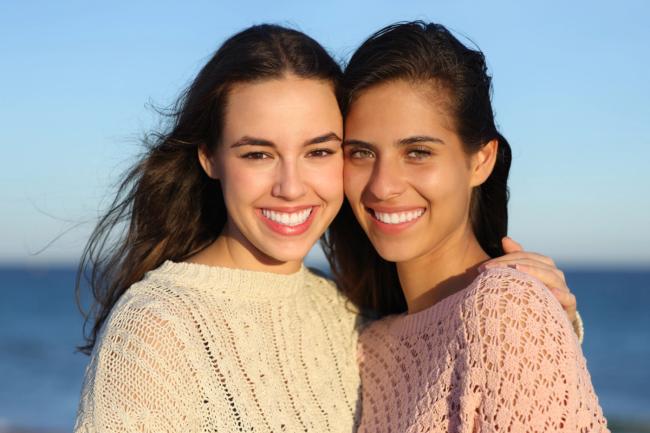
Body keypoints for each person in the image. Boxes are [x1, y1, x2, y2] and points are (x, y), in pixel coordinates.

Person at [75, 24, 581, 432]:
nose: (291, 187)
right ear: (209, 156)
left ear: (481, 160)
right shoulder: (158, 328)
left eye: (320, 150)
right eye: (258, 153)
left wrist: (533, 325)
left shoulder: (348, 318)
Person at [325, 21, 608, 432]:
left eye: (418, 152)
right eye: (362, 153)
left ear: (480, 160)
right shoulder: (371, 345)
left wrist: (534, 320)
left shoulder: (505, 308)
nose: (383, 186)